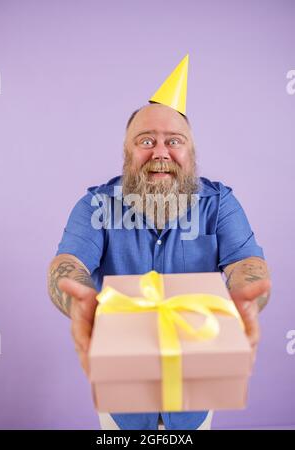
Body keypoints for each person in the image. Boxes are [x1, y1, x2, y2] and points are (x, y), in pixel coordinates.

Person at [47, 57, 271, 430]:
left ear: (191, 153)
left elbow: (245, 263)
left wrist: (246, 295)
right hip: (122, 396)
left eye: (174, 141)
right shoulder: (96, 205)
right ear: (127, 153)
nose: (161, 153)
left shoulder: (220, 204)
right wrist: (78, 301)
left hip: (195, 394)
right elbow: (68, 264)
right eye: (146, 141)